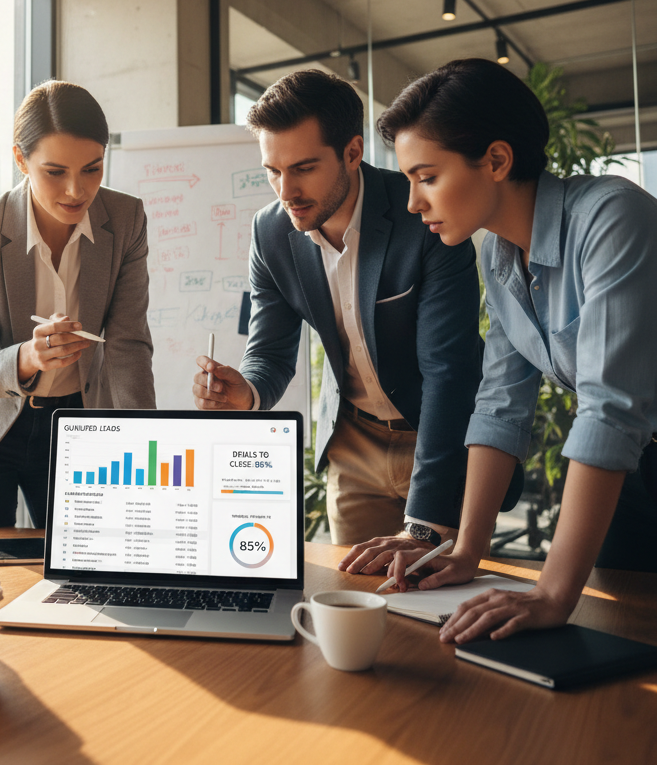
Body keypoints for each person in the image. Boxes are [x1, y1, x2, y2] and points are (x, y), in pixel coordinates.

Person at [374, 57, 657, 645]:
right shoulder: (498, 257)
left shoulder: (611, 217)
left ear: (497, 160)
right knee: (617, 647)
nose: (412, 203)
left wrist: (552, 592)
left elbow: (609, 407)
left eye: (426, 177)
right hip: (633, 475)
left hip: (625, 447)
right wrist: (467, 549)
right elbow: (501, 403)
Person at [192, 69, 489, 552]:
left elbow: (448, 372)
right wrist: (245, 393)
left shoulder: (423, 216)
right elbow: (269, 350)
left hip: (437, 438)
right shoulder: (270, 232)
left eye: (304, 168)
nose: (285, 190)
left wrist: (426, 520)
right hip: (352, 446)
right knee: (353, 602)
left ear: (353, 152)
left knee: (445, 610)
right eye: (273, 171)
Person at [0, 81, 155, 536]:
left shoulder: (125, 220)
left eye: (92, 169)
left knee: (85, 580)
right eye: (54, 172)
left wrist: (144, 445)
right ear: (20, 159)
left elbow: (129, 346)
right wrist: (30, 357)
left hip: (79, 428)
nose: (76, 190)